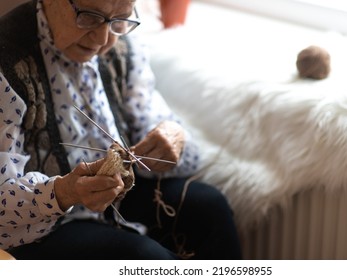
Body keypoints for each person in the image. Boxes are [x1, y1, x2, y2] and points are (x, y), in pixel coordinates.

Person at [0, 0, 242, 260]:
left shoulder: (123, 42)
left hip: (119, 196)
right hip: (44, 220)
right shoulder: (7, 62)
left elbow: (154, 119)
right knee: (144, 257)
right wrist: (66, 191)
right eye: (89, 17)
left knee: (209, 207)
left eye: (120, 19)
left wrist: (173, 136)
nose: (103, 39)